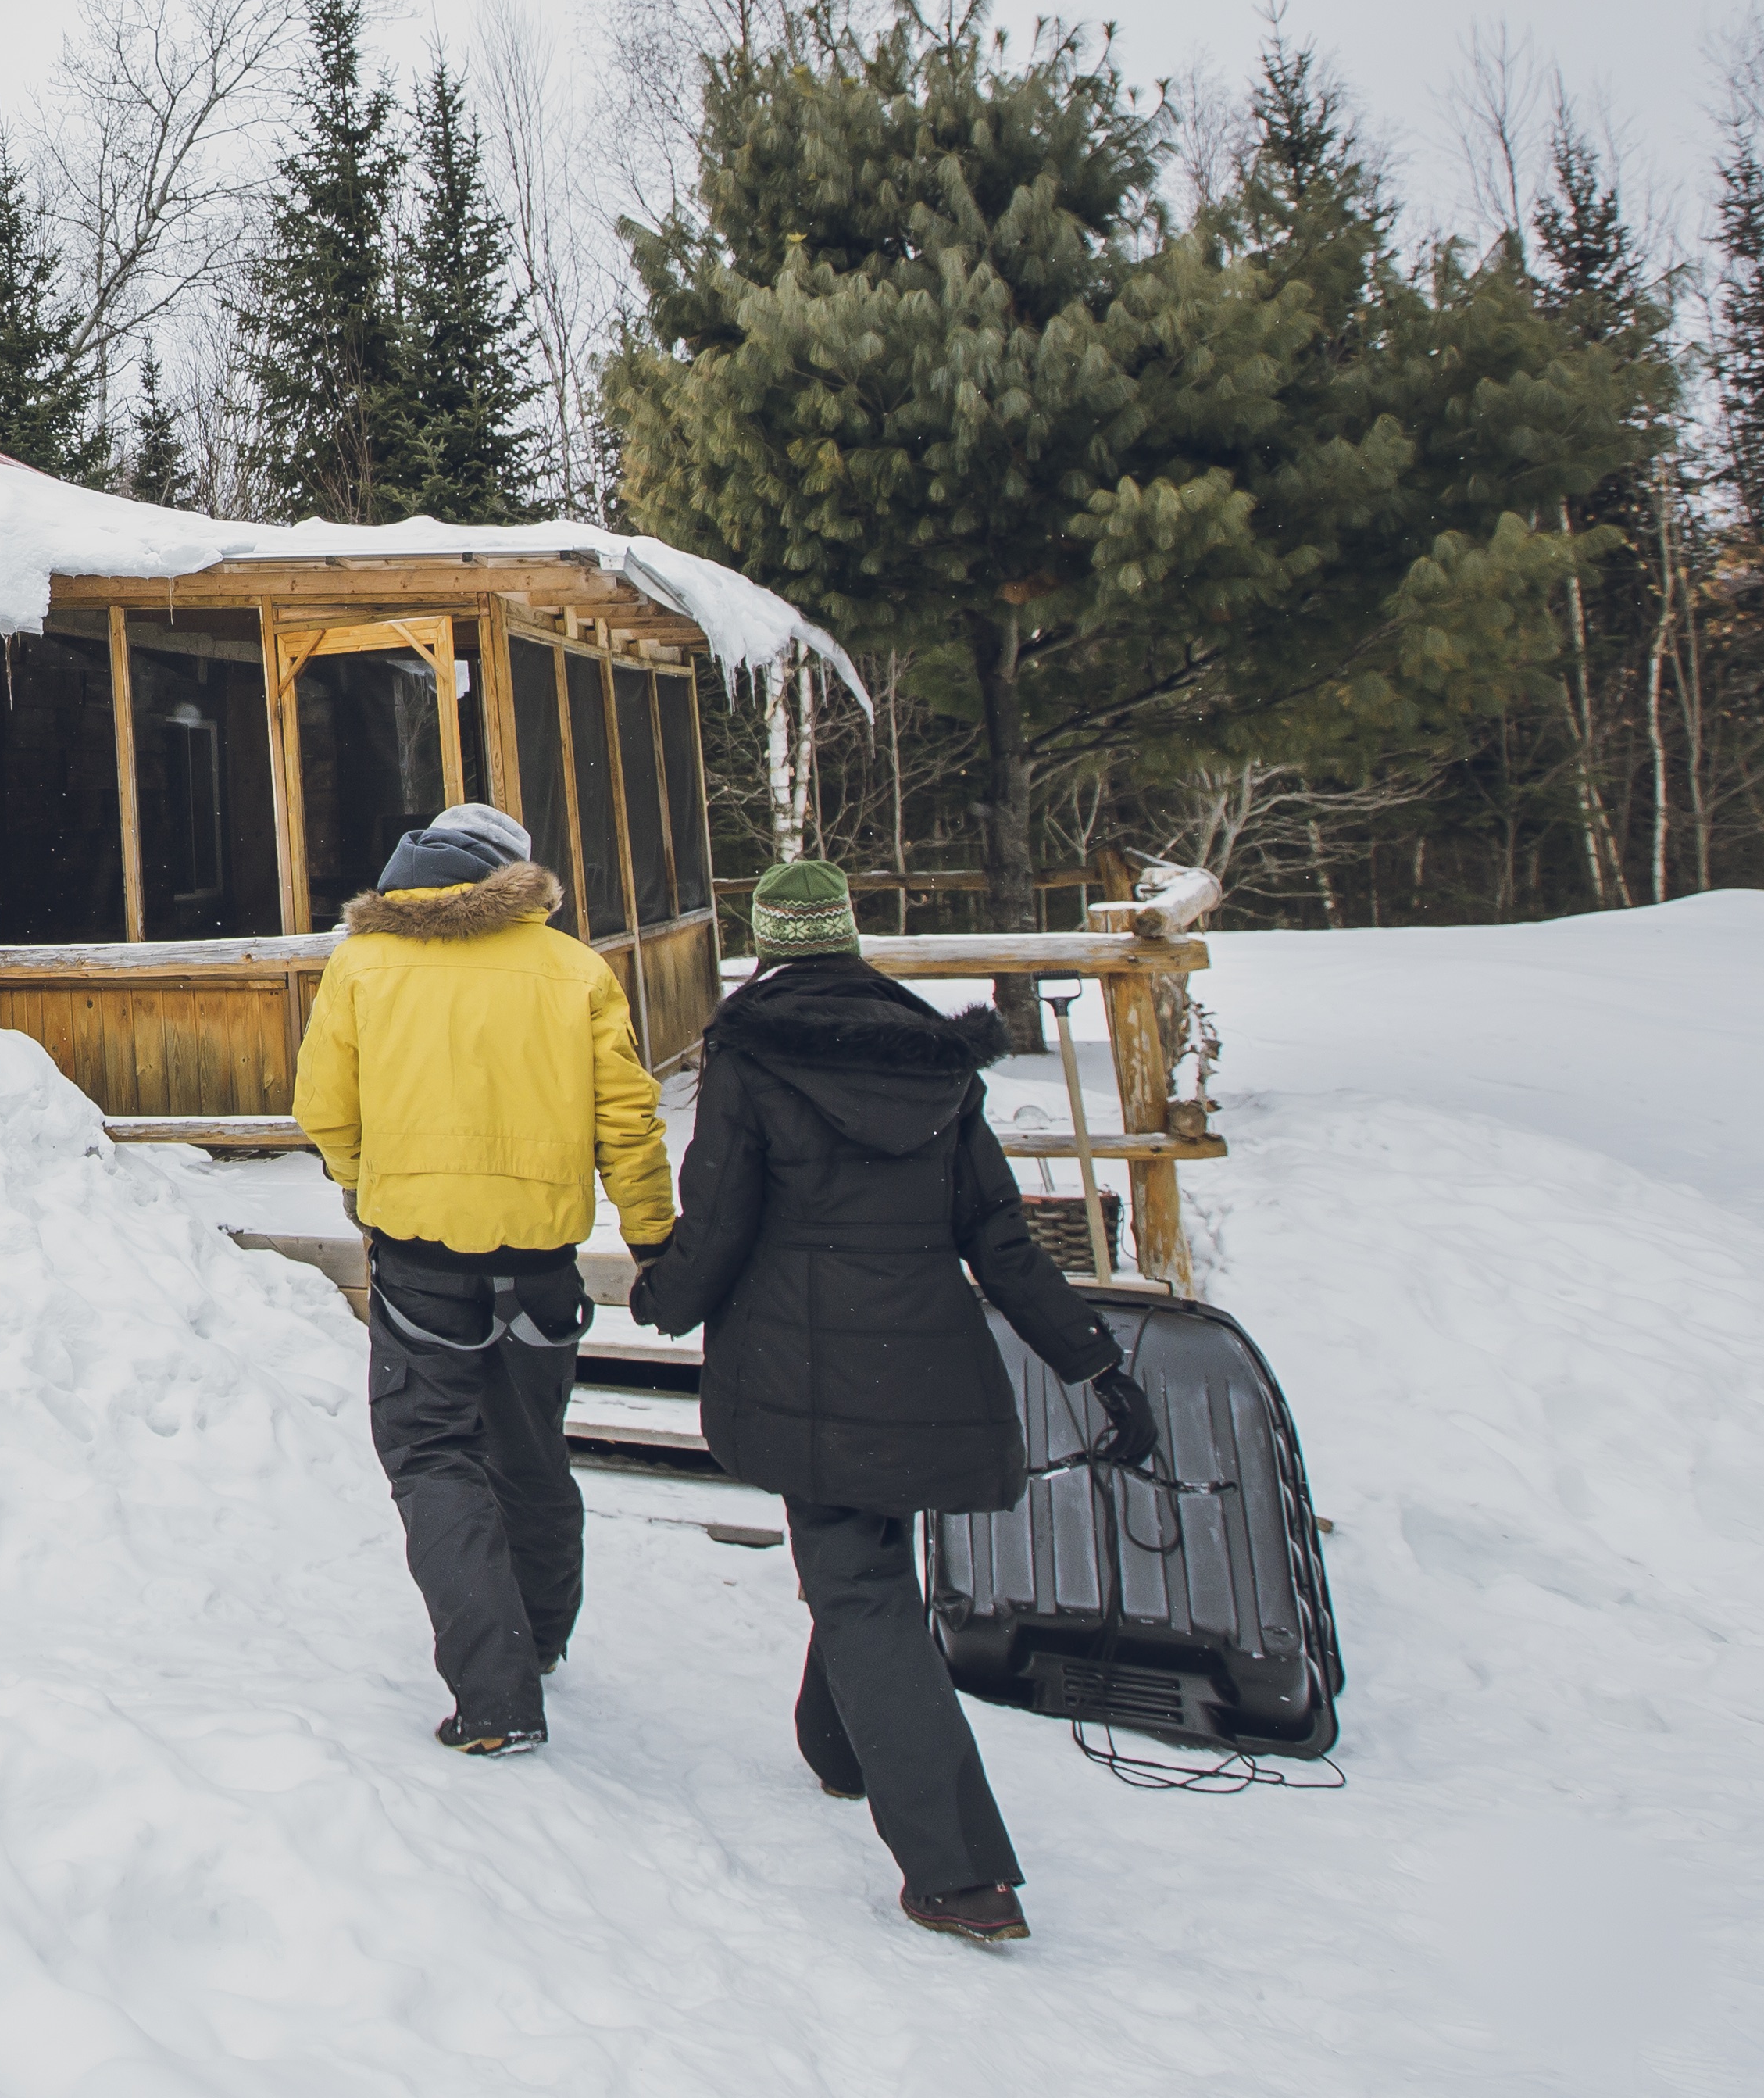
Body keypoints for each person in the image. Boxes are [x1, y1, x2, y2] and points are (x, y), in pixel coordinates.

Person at [629, 858, 1155, 1946]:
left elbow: (718, 1218)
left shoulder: (751, 1055)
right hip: (916, 1364)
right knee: (869, 1560)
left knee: (859, 1586)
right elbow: (1000, 1239)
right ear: (849, 939)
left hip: (801, 1366)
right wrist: (1094, 1360)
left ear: (769, 946)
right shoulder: (934, 1062)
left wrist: (663, 1295)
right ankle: (839, 1747)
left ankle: (959, 1873)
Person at [291, 799, 679, 1760]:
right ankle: (540, 1637)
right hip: (540, 1262)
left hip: (420, 1258)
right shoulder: (573, 969)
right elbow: (629, 1118)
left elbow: (321, 1104)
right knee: (532, 1450)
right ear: (514, 876)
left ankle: (494, 1691)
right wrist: (655, 1239)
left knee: (432, 1458)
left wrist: (359, 1181)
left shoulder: (363, 963)